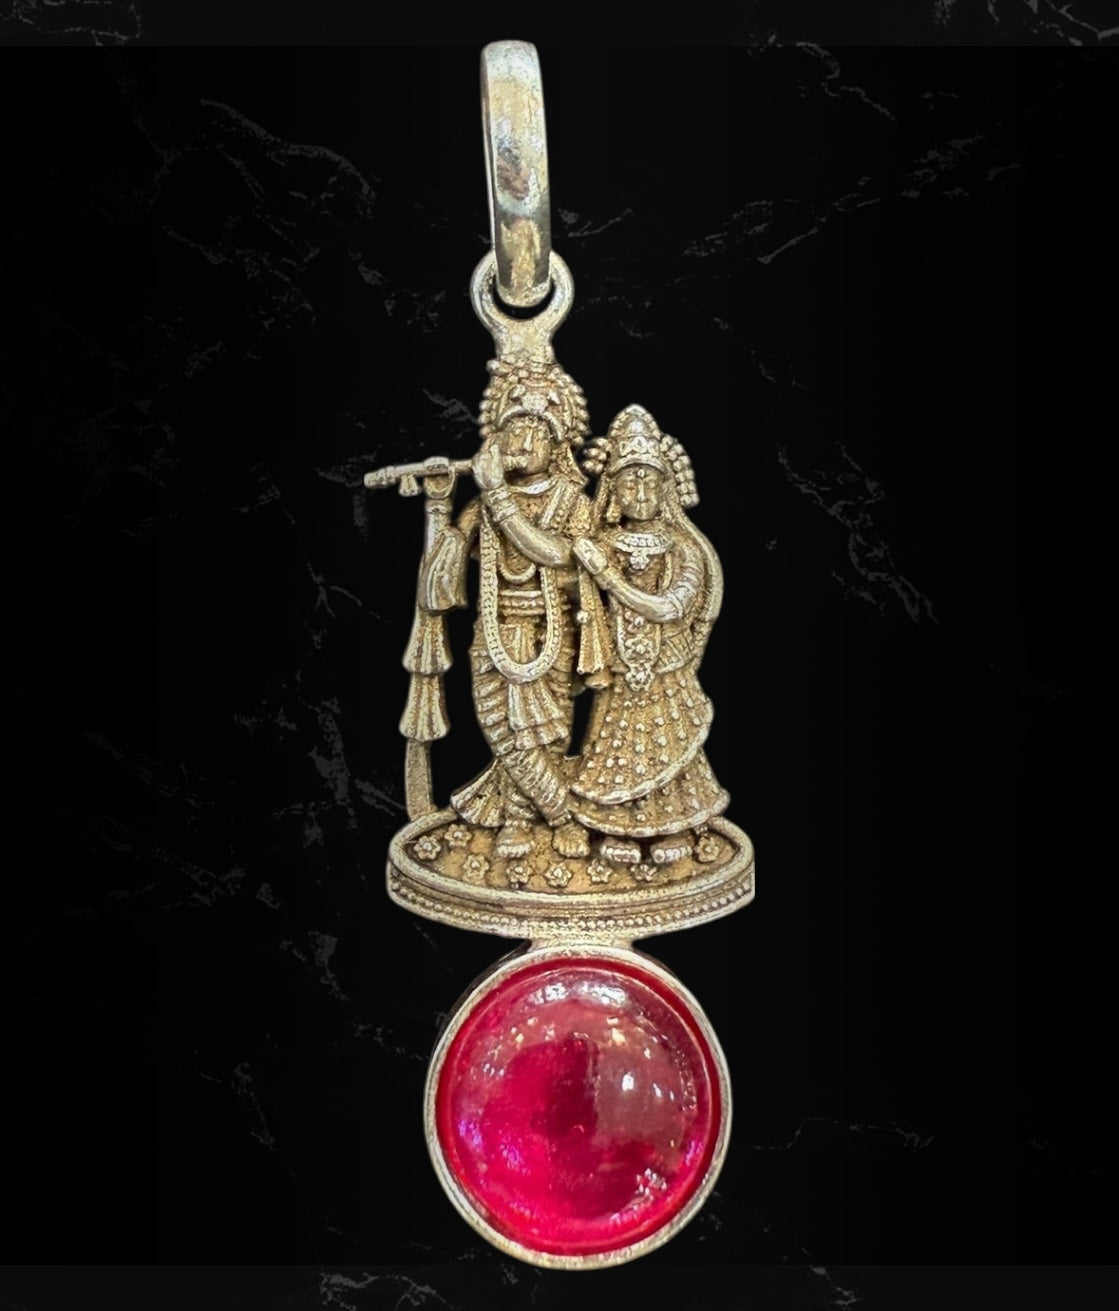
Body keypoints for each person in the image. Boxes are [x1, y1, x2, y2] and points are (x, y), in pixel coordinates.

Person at [414, 357, 606, 860]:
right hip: (493, 633)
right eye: (512, 431)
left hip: (551, 632)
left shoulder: (573, 502)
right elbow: (437, 582)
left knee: (544, 734)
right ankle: (540, 814)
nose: (522, 442)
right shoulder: (480, 507)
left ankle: (549, 817)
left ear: (558, 444)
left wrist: (497, 494)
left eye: (536, 433)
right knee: (502, 729)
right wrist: (438, 506)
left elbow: (558, 555)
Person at [570, 405, 728, 866]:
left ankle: (672, 826)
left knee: (669, 746)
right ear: (612, 490)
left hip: (668, 669)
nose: (640, 494)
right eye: (628, 483)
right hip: (619, 669)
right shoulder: (602, 543)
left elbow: (670, 607)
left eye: (649, 483)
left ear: (666, 488)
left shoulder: (684, 549)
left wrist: (608, 578)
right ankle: (618, 826)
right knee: (618, 747)